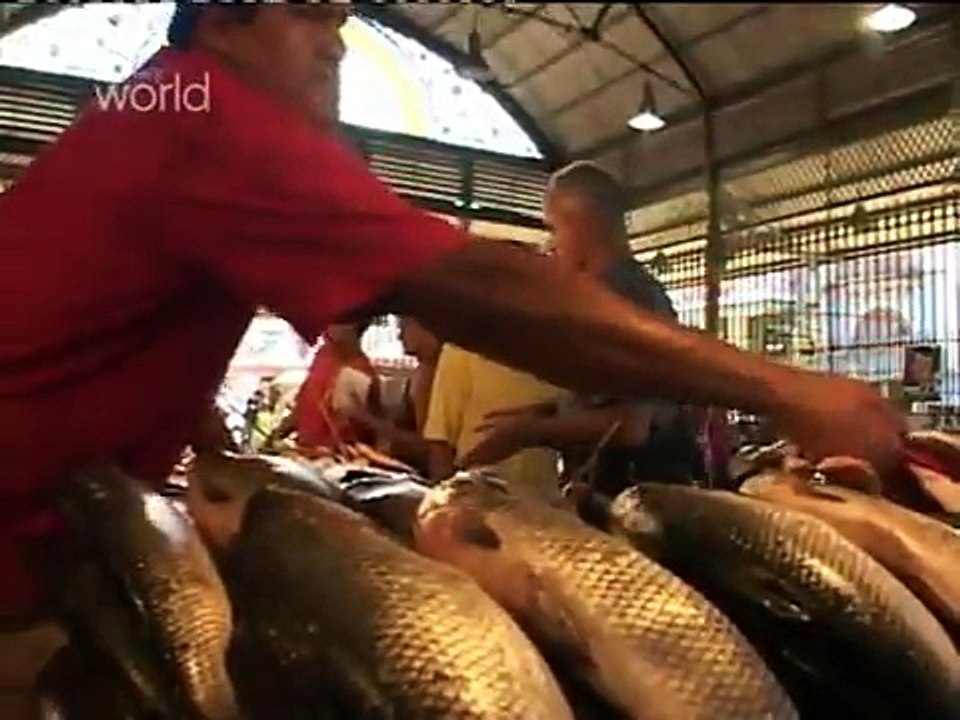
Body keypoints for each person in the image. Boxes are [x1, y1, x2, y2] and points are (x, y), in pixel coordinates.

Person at [0, 4, 904, 712]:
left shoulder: (155, 110)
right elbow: (471, 286)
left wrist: (201, 442)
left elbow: (114, 331)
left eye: (345, 20)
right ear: (222, 13)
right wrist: (782, 386)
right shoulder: (201, 115)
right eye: (311, 13)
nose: (337, 47)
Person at [462, 162, 705, 496]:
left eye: (554, 229)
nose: (552, 244)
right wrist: (551, 411)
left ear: (580, 223)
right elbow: (613, 399)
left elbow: (630, 426)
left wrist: (528, 432)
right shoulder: (633, 289)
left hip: (640, 497)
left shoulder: (618, 295)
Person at [424, 340, 567, 497]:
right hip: (479, 503)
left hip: (543, 504)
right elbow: (440, 444)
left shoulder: (559, 351)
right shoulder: (461, 350)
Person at [347, 315, 441, 473]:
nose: (399, 336)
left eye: (403, 327)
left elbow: (427, 447)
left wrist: (365, 418)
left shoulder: (432, 375)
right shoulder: (422, 371)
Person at [279, 320, 381, 451]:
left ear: (353, 327)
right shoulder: (323, 354)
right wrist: (285, 427)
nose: (326, 328)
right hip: (303, 451)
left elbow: (360, 435)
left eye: (336, 321)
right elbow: (304, 398)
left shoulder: (362, 373)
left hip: (333, 460)